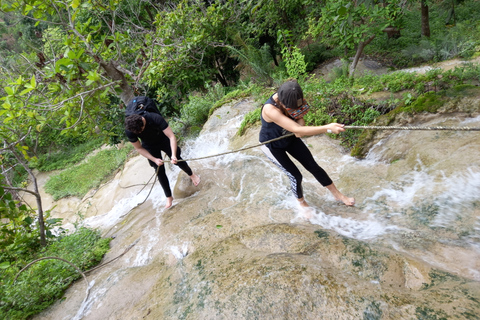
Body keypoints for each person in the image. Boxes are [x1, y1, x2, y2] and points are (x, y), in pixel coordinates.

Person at [259, 80, 354, 208]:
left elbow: (298, 130)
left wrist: (300, 118)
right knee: (295, 176)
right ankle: (302, 203)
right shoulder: (270, 109)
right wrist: (328, 128)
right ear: (282, 102)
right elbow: (298, 130)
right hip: (272, 146)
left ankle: (338, 195)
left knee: (313, 166)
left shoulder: (295, 96)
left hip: (290, 138)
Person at [125, 112, 200, 208]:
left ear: (143, 121)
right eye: (137, 133)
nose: (140, 133)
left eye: (141, 130)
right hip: (149, 145)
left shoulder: (154, 118)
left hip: (163, 139)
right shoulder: (130, 130)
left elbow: (171, 136)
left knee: (177, 159)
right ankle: (169, 196)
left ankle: (192, 175)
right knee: (159, 169)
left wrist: (173, 155)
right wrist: (154, 159)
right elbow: (139, 148)